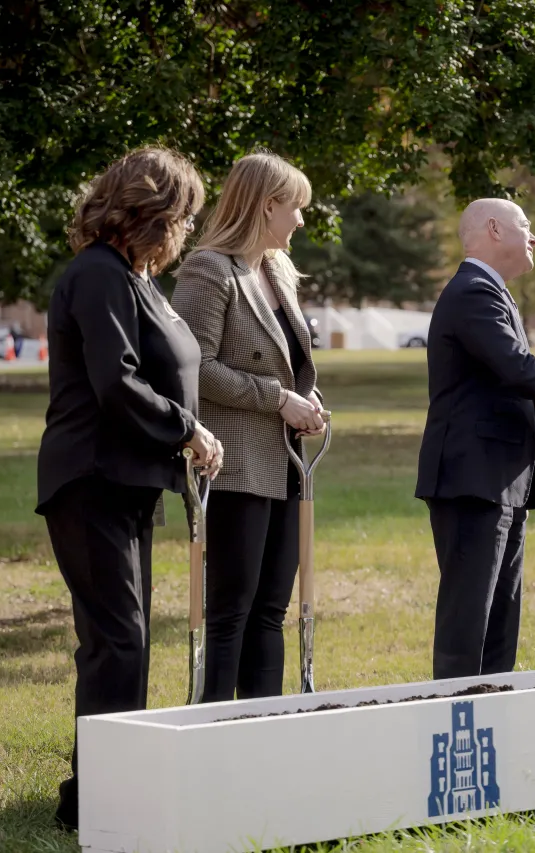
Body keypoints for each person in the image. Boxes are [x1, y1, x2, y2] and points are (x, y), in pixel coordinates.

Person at [35, 146, 224, 832]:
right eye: (185, 216)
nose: (187, 232)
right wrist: (187, 430)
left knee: (127, 639)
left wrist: (185, 435)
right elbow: (115, 382)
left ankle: (107, 785)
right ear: (154, 213)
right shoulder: (97, 276)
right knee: (119, 639)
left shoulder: (137, 280)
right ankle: (94, 799)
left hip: (130, 483)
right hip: (89, 478)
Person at [415, 198, 535, 680]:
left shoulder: (487, 291)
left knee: (500, 615)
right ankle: (457, 720)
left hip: (500, 481)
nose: (534, 236)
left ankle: (495, 715)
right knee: (469, 619)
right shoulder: (473, 291)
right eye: (526, 225)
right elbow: (514, 365)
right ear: (494, 229)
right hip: (472, 480)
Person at [171, 151, 326, 704]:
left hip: (285, 464)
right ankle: (211, 732)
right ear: (267, 206)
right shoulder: (210, 268)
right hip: (234, 464)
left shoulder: (278, 269)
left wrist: (307, 401)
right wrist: (278, 398)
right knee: (231, 611)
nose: (302, 221)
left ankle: (263, 732)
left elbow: (290, 361)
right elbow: (197, 366)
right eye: (297, 208)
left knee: (272, 611)